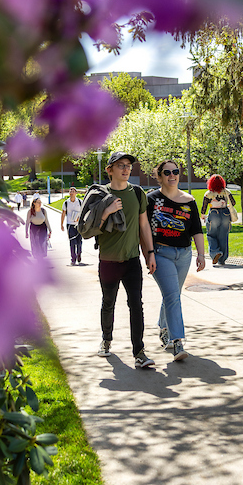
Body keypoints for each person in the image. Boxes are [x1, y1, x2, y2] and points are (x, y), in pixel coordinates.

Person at [78, 152, 157, 369]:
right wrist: (106, 211)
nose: (125, 169)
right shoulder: (99, 196)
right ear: (109, 170)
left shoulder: (138, 194)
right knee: (108, 303)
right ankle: (106, 338)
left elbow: (143, 226)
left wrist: (150, 253)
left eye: (128, 166)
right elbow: (87, 230)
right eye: (120, 165)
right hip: (108, 261)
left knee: (136, 305)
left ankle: (139, 352)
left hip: (131, 260)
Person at [146, 159, 207, 361]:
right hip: (161, 253)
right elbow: (144, 230)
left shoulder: (189, 201)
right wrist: (149, 253)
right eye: (167, 172)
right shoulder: (152, 200)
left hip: (184, 254)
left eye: (175, 171)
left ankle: (163, 327)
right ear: (159, 176)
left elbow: (196, 230)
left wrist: (200, 254)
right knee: (173, 296)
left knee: (172, 294)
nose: (172, 175)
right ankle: (177, 341)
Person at [201, 175, 236, 265]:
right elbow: (233, 202)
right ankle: (222, 259)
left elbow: (204, 206)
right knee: (223, 236)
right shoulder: (226, 192)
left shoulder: (209, 193)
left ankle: (216, 252)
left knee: (211, 235)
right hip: (225, 214)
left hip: (214, 214)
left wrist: (202, 215)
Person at [61, 186, 84, 265]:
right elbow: (63, 213)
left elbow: (83, 213)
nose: (72, 192)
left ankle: (79, 254)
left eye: (73, 191)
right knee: (72, 242)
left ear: (76, 193)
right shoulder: (66, 203)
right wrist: (61, 224)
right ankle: (73, 258)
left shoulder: (80, 202)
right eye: (70, 190)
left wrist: (80, 220)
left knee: (79, 241)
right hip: (70, 225)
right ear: (69, 193)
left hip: (79, 225)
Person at [24, 195, 51, 259]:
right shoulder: (30, 211)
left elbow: (46, 220)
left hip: (42, 227)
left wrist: (50, 230)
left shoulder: (43, 211)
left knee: (43, 242)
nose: (40, 204)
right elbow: (27, 222)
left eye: (40, 202)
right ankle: (37, 256)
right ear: (34, 203)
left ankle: (42, 256)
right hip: (34, 228)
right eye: (38, 202)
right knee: (35, 242)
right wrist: (26, 232)